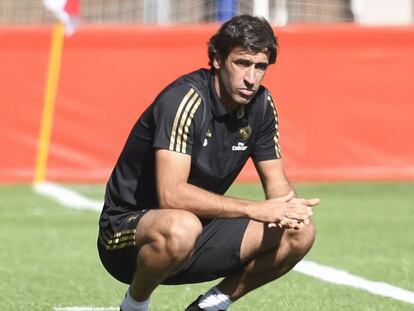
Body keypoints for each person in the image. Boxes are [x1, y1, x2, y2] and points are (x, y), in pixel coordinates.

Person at [97, 14, 320, 311]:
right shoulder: (185, 100)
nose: (251, 78)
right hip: (127, 237)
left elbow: (277, 184)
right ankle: (133, 307)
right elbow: (171, 195)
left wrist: (289, 208)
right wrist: (255, 209)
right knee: (181, 226)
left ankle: (210, 307)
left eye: (260, 67)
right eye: (242, 63)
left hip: (197, 231)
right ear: (217, 59)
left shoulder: (262, 106)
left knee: (300, 232)